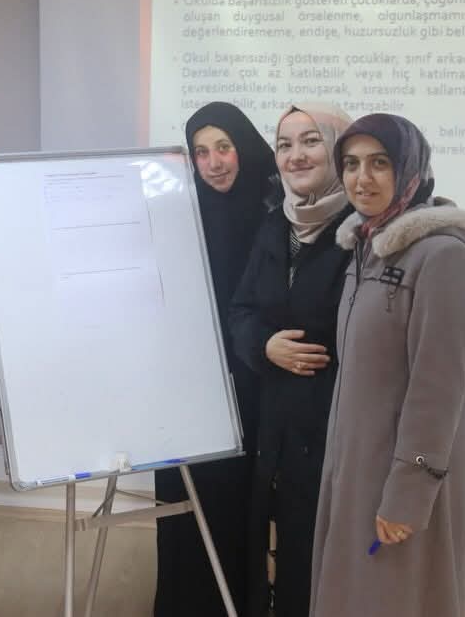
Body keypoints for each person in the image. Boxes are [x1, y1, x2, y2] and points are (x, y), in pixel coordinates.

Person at [310, 113, 465, 617]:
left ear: (410, 169)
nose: (362, 178)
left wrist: (409, 494)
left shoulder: (443, 256)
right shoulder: (367, 246)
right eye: (351, 164)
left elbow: (438, 390)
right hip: (356, 464)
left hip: (403, 474)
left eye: (380, 163)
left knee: (399, 596)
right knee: (355, 593)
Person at [228, 103, 353, 616]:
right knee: (280, 545)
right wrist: (264, 345)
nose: (295, 155)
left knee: (330, 551)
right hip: (277, 420)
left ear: (339, 149)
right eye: (284, 145)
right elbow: (241, 310)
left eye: (311, 141)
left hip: (338, 424)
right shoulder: (274, 226)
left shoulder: (363, 230)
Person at [155, 102, 277, 617]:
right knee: (186, 501)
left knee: (240, 501)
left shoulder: (279, 213)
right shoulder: (176, 213)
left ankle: (242, 603)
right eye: (201, 152)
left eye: (224, 147)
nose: (213, 163)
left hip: (253, 380)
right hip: (188, 382)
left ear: (244, 148)